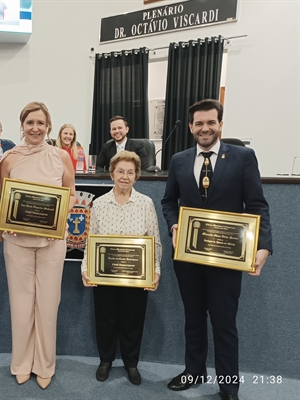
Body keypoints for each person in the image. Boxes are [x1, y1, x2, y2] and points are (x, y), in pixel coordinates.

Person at [161, 99, 272, 400]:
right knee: (194, 318)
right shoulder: (179, 160)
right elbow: (169, 202)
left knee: (224, 323)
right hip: (188, 258)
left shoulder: (243, 157)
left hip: (227, 258)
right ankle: (193, 371)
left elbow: (257, 204)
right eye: (199, 123)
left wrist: (264, 246)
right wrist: (173, 226)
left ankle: (228, 386)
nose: (205, 128)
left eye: (211, 122)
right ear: (191, 127)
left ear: (221, 124)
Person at [0, 101, 76, 389]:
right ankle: (21, 363)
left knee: (47, 304)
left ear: (48, 126)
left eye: (40, 123)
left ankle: (44, 364)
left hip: (52, 242)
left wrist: (56, 222)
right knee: (20, 303)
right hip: (17, 242)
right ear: (22, 126)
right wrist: (8, 221)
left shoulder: (61, 157)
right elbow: (4, 198)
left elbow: (69, 195)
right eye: (29, 123)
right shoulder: (8, 158)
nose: (35, 128)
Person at [81, 150, 161, 386]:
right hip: (104, 274)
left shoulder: (146, 203)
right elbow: (90, 238)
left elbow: (154, 239)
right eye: (120, 171)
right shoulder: (99, 203)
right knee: (105, 318)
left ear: (136, 175)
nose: (124, 176)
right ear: (112, 174)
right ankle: (105, 360)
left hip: (137, 276)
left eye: (130, 172)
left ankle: (131, 362)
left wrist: (155, 271)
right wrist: (86, 268)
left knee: (132, 318)